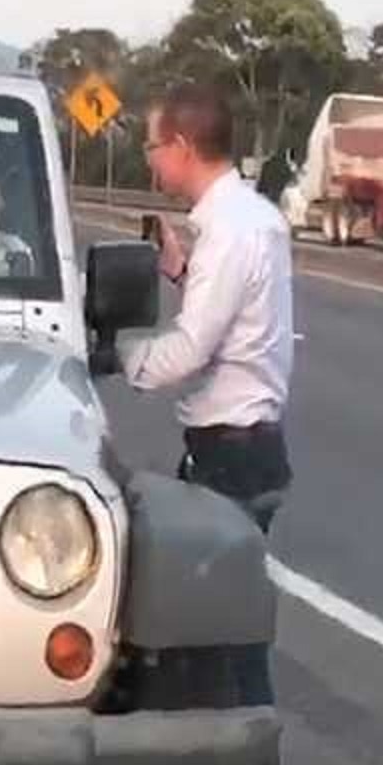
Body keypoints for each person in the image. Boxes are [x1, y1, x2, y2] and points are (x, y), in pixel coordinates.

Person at [119, 84, 295, 531]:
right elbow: (241, 315)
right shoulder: (256, 216)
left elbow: (191, 349)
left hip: (230, 461)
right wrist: (181, 272)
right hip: (247, 450)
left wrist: (114, 355)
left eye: (151, 145)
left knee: (198, 592)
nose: (149, 157)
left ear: (181, 147)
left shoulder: (229, 230)